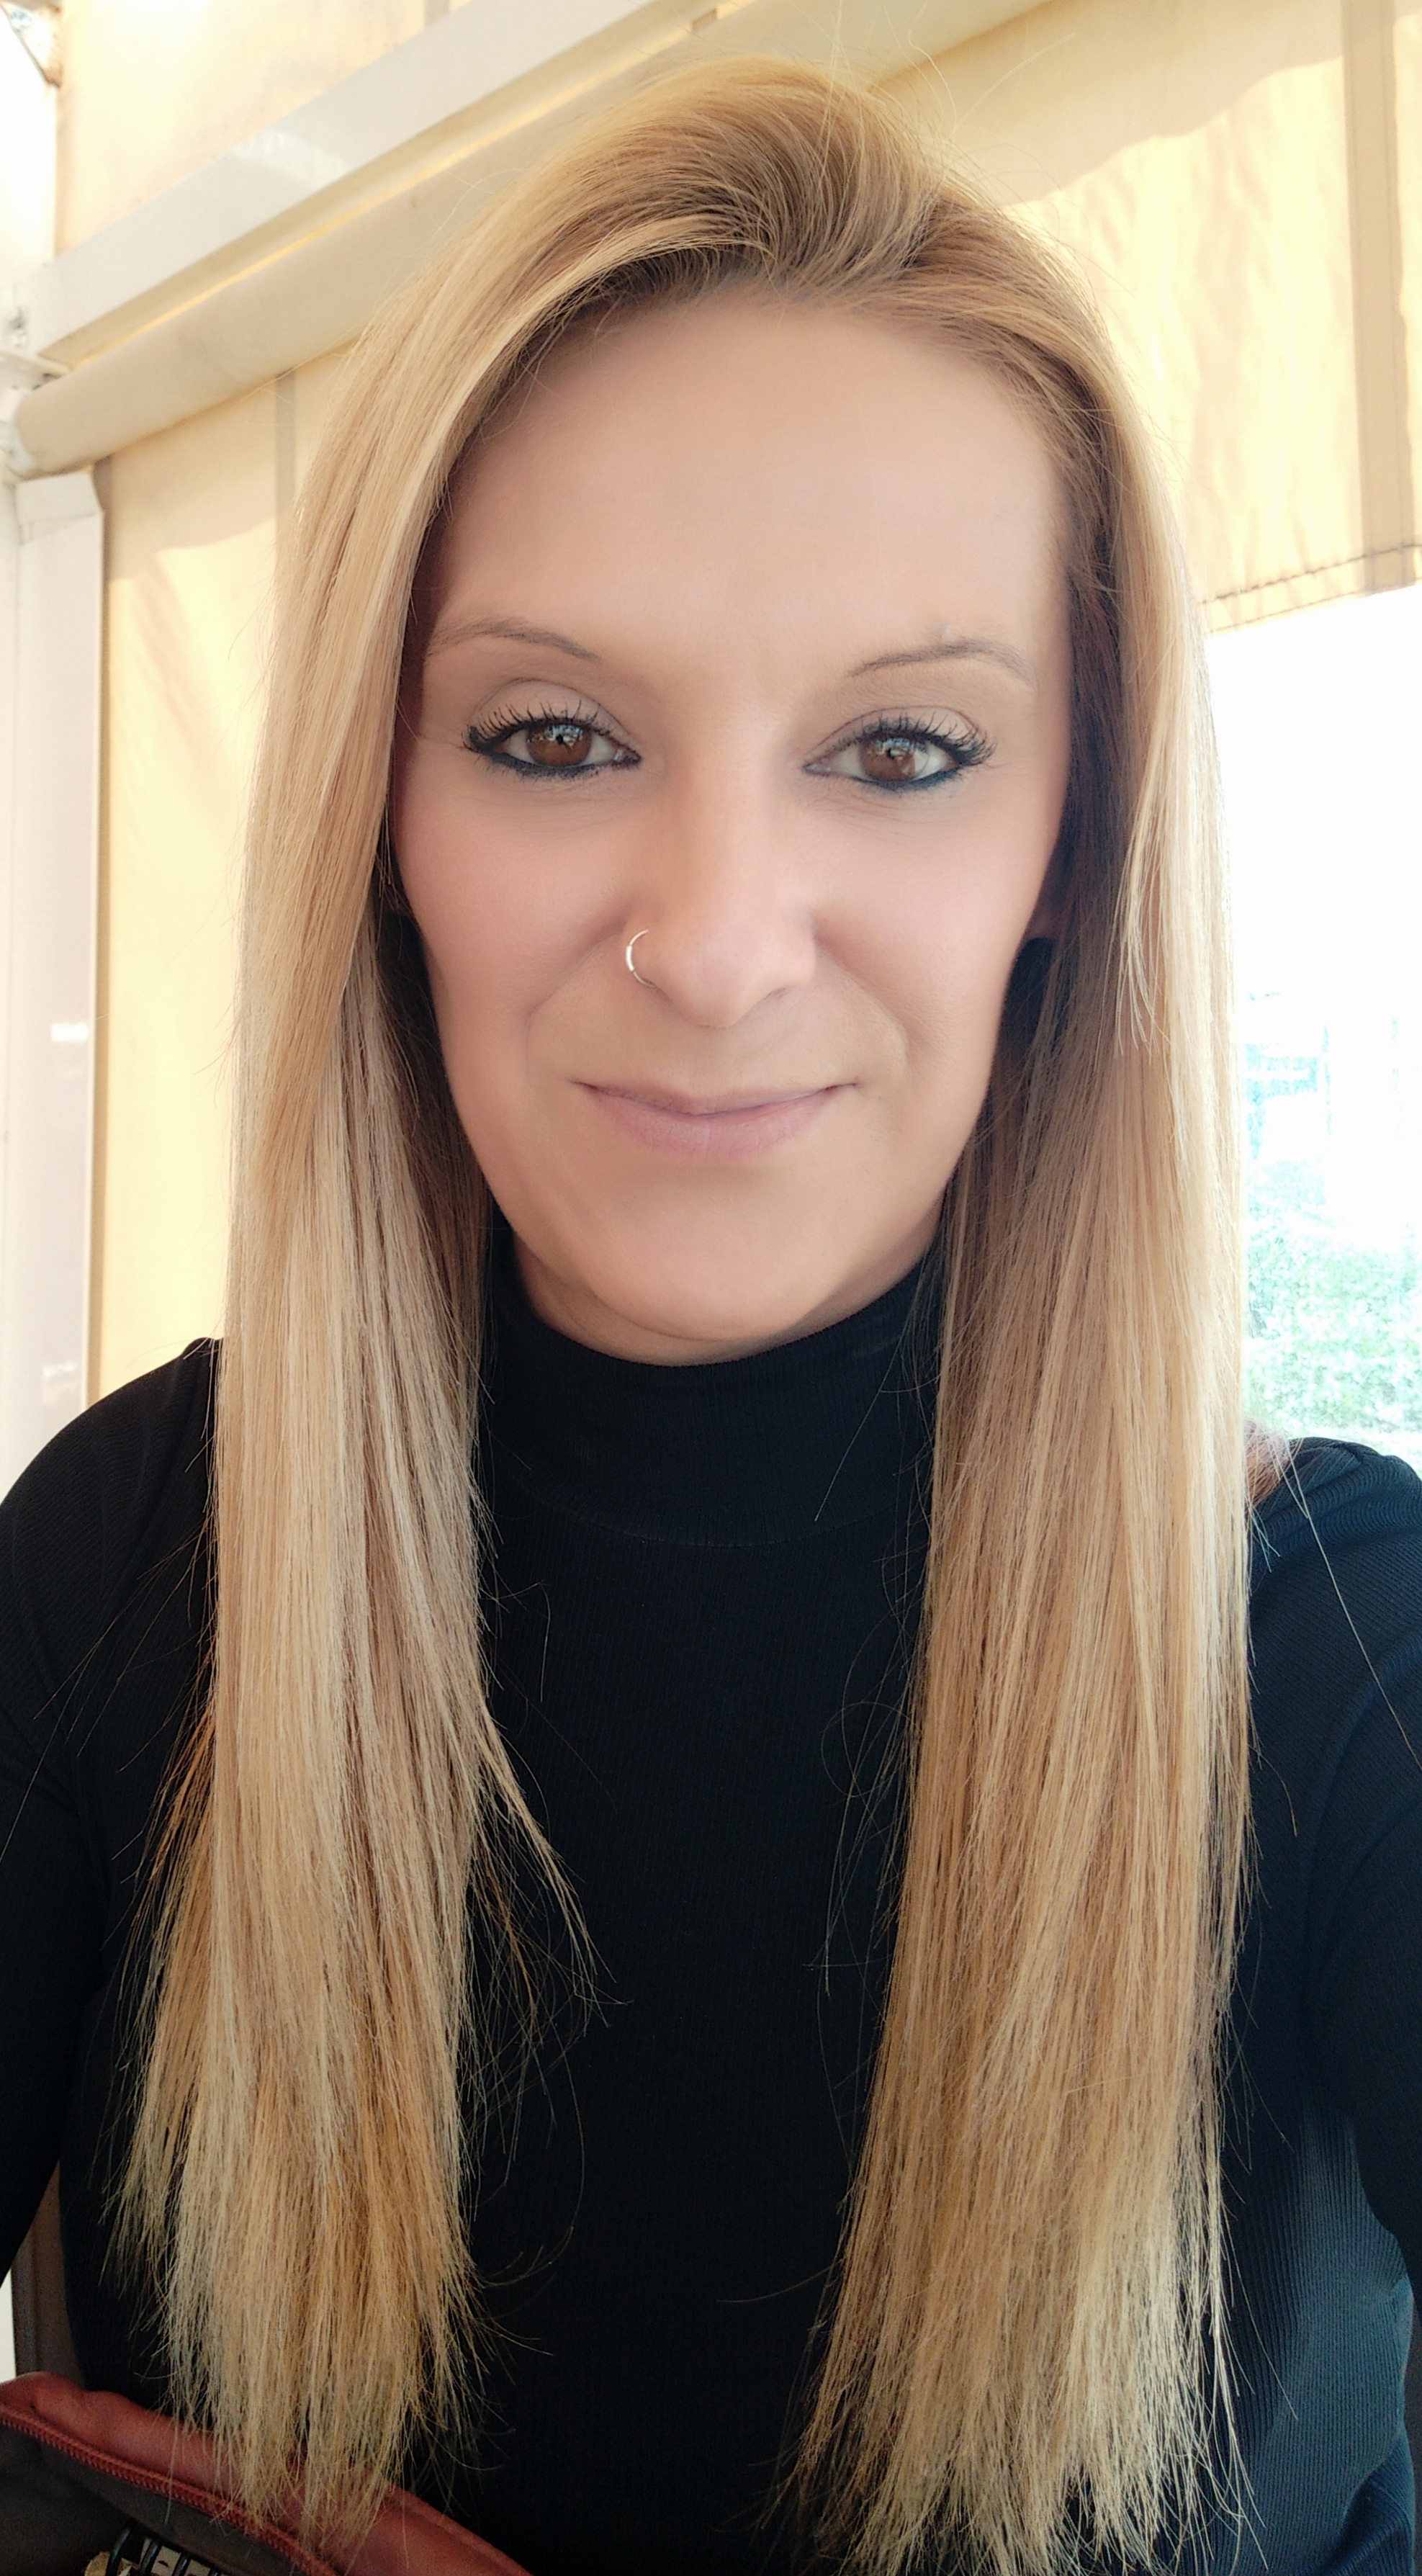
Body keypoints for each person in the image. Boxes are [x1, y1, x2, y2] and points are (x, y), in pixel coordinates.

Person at [1, 55, 1420, 2576]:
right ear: (383, 824)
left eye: (902, 747)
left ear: (1071, 843)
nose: (720, 940)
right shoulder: (131, 1556)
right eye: (555, 736)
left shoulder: (1342, 1657)